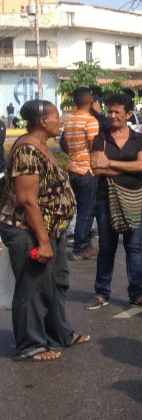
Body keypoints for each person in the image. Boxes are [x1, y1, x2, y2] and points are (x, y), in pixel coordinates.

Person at [0, 100, 84, 361]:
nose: (61, 121)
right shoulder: (27, 150)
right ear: (43, 121)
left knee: (57, 282)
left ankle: (59, 334)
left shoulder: (42, 146)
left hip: (50, 230)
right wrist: (43, 242)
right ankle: (30, 345)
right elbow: (27, 200)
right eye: (57, 116)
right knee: (33, 287)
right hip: (29, 230)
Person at [85, 94, 142, 310]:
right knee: (107, 247)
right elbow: (96, 168)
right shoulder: (101, 138)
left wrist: (110, 164)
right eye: (110, 111)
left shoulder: (139, 139)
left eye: (117, 112)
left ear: (129, 114)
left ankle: (137, 294)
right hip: (105, 199)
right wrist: (127, 167)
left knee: (134, 247)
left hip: (135, 199)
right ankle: (101, 292)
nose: (112, 116)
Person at [63, 87, 100, 260]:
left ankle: (84, 244)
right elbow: (94, 146)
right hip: (86, 169)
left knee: (81, 209)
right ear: (91, 101)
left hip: (73, 168)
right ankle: (81, 247)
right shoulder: (90, 120)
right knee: (87, 210)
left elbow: (65, 144)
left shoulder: (70, 120)